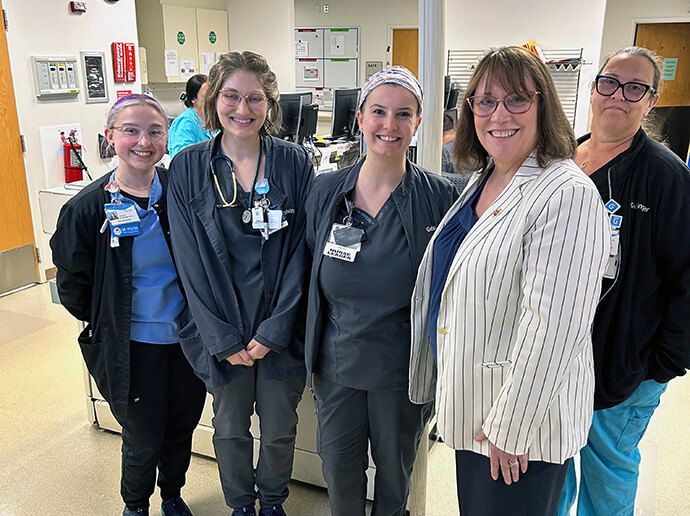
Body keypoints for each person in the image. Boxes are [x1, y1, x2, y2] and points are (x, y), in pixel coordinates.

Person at [408, 46, 610, 516]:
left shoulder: (566, 194)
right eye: (484, 101)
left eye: (516, 99)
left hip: (517, 432)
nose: (498, 114)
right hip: (475, 410)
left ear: (544, 106)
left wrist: (512, 428)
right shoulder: (487, 176)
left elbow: (555, 328)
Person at [304, 66, 457, 516]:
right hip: (337, 365)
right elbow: (307, 269)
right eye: (379, 112)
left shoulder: (441, 197)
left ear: (418, 123)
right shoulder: (326, 191)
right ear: (359, 117)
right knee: (340, 474)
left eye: (403, 114)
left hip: (401, 370)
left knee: (395, 476)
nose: (389, 125)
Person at [167, 51, 313, 516]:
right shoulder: (188, 167)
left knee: (278, 427)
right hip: (221, 328)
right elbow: (189, 263)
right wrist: (222, 337)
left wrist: (273, 331)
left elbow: (301, 255)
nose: (242, 109)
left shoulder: (292, 162)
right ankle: (240, 507)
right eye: (231, 96)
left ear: (269, 103)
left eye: (254, 98)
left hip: (278, 328)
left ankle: (271, 504)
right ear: (213, 100)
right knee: (229, 425)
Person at [50, 94, 206, 516]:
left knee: (182, 424)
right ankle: (135, 506)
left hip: (187, 339)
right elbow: (73, 286)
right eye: (131, 130)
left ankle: (172, 496)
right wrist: (110, 319)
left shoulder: (179, 192)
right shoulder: (87, 208)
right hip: (132, 345)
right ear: (110, 137)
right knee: (143, 432)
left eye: (155, 131)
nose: (144, 141)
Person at [556, 46, 690, 516]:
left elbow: (685, 278)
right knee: (553, 471)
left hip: (625, 365)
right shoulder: (564, 159)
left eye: (636, 87)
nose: (620, 95)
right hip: (559, 357)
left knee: (606, 474)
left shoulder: (665, 176)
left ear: (651, 101)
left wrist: (664, 365)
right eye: (610, 82)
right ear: (594, 89)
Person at [168, 74, 213, 157]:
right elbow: (182, 158)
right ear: (193, 99)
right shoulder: (185, 122)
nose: (211, 99)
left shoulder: (211, 119)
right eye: (206, 96)